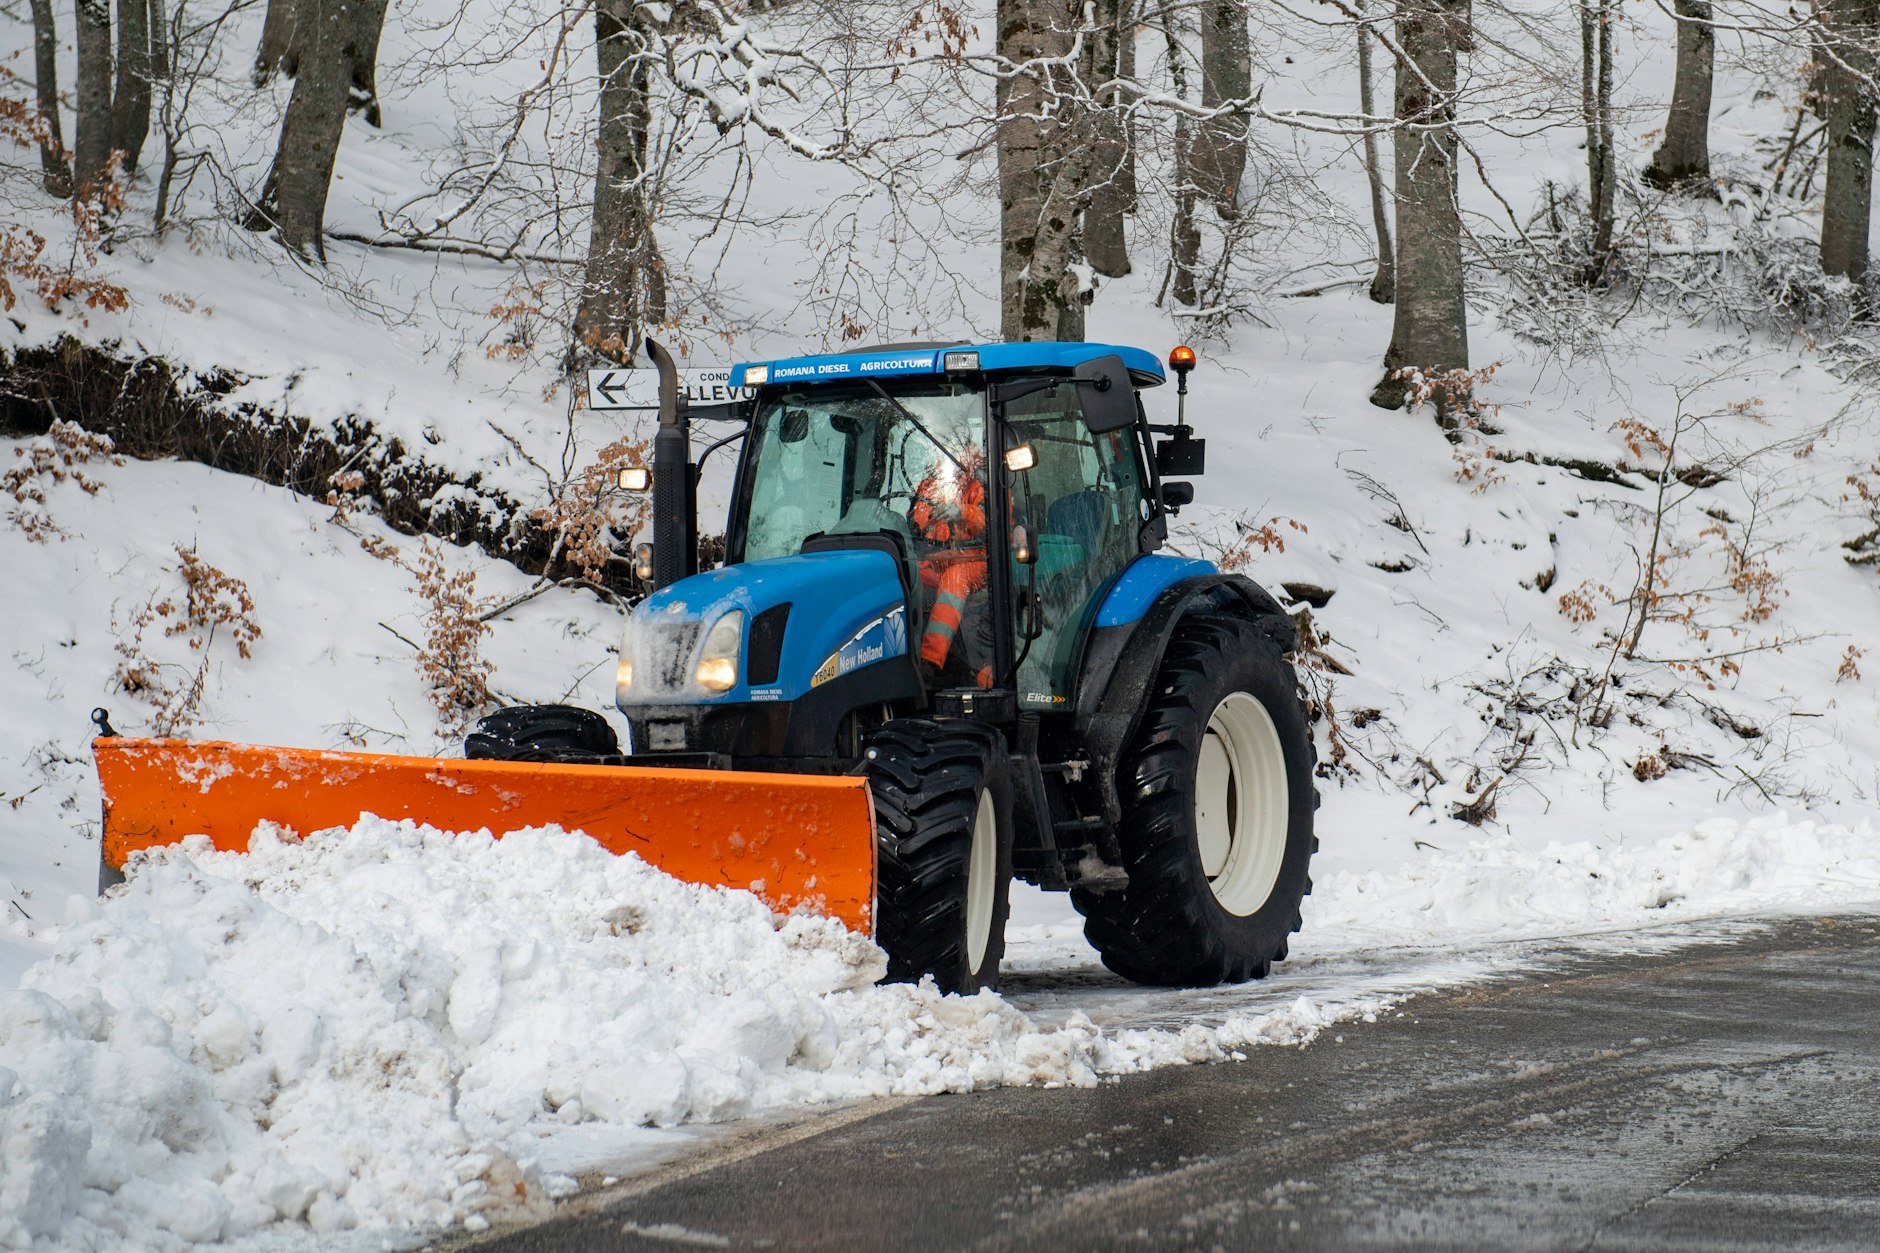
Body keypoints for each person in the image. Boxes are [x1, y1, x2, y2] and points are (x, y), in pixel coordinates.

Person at [908, 449, 992, 686]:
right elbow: (918, 521)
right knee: (905, 572)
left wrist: (961, 513)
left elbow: (990, 525)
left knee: (955, 579)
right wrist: (926, 519)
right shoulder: (929, 485)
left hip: (977, 559)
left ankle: (929, 661)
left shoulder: (982, 483)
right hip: (939, 556)